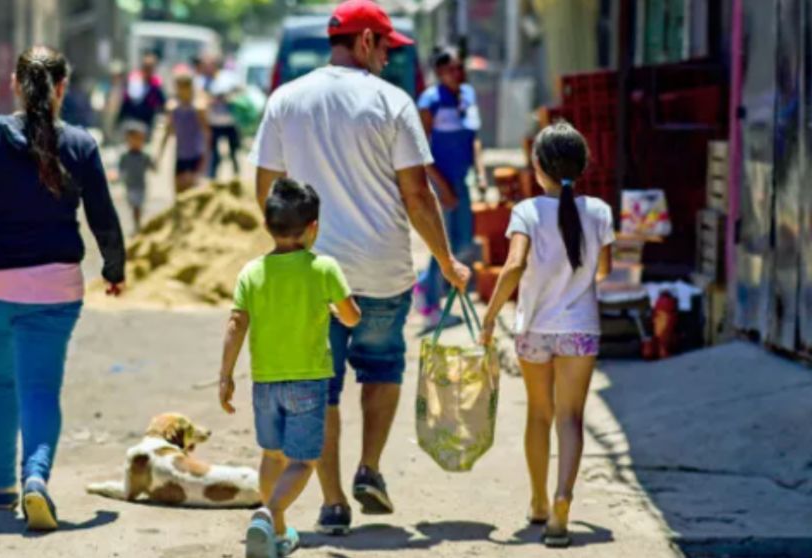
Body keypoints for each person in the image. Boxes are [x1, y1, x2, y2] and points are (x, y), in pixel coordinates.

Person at [249, 0, 471, 535]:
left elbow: (266, 189)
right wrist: (447, 261)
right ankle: (370, 467)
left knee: (321, 388)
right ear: (366, 41)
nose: (388, 60)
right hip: (381, 270)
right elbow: (418, 196)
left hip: (314, 274)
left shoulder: (285, 99)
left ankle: (332, 500)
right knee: (382, 368)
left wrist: (291, 253)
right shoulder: (392, 103)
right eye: (386, 48)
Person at [0, 46, 126, 531]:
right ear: (61, 89)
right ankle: (35, 478)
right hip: (55, 290)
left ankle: (0, 488)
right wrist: (114, 270)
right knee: (39, 387)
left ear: (15, 84)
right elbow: (104, 219)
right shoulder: (80, 143)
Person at [480, 122, 614, 548]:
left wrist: (490, 316)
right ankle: (562, 501)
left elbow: (515, 265)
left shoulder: (527, 211)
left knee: (539, 413)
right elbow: (605, 270)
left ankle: (537, 501)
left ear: (537, 167)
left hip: (535, 329)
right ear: (583, 166)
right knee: (570, 418)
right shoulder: (599, 211)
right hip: (579, 331)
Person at [219, 178, 362, 557]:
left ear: (266, 225)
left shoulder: (252, 272)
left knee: (272, 456)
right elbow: (351, 317)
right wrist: (336, 309)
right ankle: (269, 514)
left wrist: (226, 375)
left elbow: (236, 323)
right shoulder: (324, 268)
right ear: (313, 228)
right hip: (308, 383)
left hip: (264, 383)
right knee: (304, 460)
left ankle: (277, 534)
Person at [415, 47, 488, 328]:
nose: (460, 73)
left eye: (462, 67)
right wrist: (442, 188)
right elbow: (421, 150)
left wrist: (481, 174)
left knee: (462, 241)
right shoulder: (429, 101)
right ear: (440, 72)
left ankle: (423, 286)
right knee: (441, 244)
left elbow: (475, 139)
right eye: (453, 68)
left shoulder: (468, 95)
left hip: (462, 178)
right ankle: (431, 306)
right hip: (439, 180)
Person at [157, 74, 210, 195]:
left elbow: (207, 134)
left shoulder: (198, 107)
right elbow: (168, 132)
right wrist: (159, 156)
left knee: (194, 194)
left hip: (195, 155)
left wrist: (205, 158)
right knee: (179, 194)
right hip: (180, 156)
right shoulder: (173, 108)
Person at [199, 54, 242, 179]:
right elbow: (201, 98)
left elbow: (240, 91)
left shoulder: (227, 77)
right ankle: (213, 180)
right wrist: (212, 100)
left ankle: (236, 179)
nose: (207, 69)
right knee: (214, 155)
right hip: (213, 123)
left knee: (233, 153)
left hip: (230, 122)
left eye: (209, 66)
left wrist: (228, 97)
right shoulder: (203, 81)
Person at [119, 52, 166, 141]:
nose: (147, 70)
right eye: (145, 67)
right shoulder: (133, 82)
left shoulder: (155, 87)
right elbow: (125, 103)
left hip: (146, 127)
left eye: (150, 67)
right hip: (131, 124)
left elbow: (162, 106)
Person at [118, 120, 154, 233]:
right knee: (134, 206)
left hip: (141, 186)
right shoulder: (125, 156)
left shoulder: (145, 156)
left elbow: (153, 166)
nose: (136, 142)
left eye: (139, 139)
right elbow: (121, 169)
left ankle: (138, 225)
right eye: (133, 139)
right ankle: (136, 224)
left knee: (138, 207)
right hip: (130, 186)